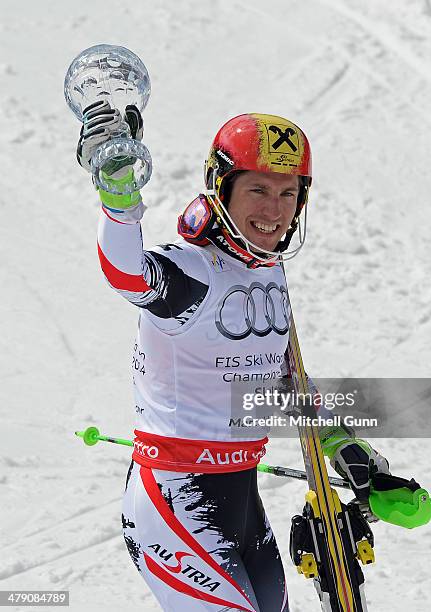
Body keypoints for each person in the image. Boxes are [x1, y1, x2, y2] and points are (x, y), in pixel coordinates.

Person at [76, 106, 390, 611]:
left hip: (242, 501)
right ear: (221, 188)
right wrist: (118, 200)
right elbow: (127, 275)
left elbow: (286, 383)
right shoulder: (192, 270)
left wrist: (341, 444)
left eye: (289, 193)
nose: (275, 210)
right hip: (176, 501)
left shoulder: (268, 270)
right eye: (259, 190)